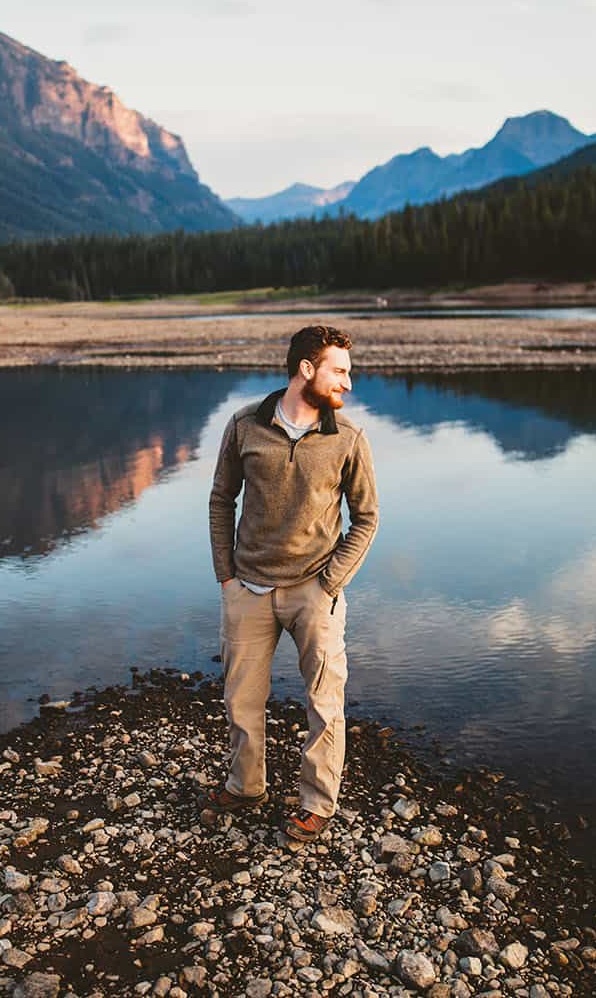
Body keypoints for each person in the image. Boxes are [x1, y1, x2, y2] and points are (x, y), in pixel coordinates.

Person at [206, 325, 379, 842]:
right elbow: (221, 500)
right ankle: (246, 785)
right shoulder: (243, 427)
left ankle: (318, 802)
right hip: (249, 589)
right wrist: (226, 576)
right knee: (240, 699)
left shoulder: (348, 438)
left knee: (325, 701)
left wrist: (330, 583)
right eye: (339, 370)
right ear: (307, 369)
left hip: (314, 591)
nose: (348, 382)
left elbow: (366, 518)